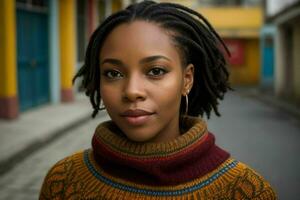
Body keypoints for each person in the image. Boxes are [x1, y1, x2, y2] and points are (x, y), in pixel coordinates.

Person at [39, 1, 276, 199]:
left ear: (187, 79)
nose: (132, 91)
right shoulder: (63, 181)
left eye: (155, 71)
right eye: (113, 73)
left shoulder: (245, 190)